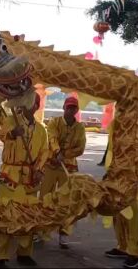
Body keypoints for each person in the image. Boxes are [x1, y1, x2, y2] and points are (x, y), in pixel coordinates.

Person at [0, 93, 49, 269]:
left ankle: (24, 253)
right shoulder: (12, 121)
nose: (31, 106)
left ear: (37, 107)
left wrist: (39, 170)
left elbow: (45, 151)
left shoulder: (41, 129)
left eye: (35, 103)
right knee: (6, 214)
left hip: (31, 177)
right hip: (11, 174)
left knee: (29, 215)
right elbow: (2, 135)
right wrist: (12, 133)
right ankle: (0, 257)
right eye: (29, 102)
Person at [40, 97, 86, 249]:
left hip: (69, 168)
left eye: (73, 108)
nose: (71, 110)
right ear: (64, 108)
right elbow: (51, 137)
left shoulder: (80, 128)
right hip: (51, 166)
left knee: (68, 201)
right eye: (68, 107)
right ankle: (42, 230)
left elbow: (80, 148)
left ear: (76, 110)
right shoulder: (54, 122)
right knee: (46, 198)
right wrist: (57, 150)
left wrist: (65, 154)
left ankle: (64, 233)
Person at [104, 118, 138, 268]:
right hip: (116, 176)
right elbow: (111, 151)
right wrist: (109, 173)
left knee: (132, 215)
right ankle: (122, 246)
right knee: (118, 213)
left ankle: (134, 252)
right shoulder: (115, 124)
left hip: (132, 178)